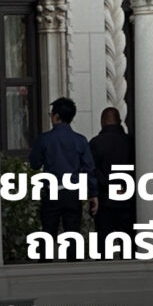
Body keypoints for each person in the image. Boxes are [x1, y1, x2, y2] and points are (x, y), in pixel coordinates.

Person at [28, 98, 98, 246]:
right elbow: (89, 169)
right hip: (73, 192)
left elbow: (34, 164)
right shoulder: (80, 140)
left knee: (47, 235)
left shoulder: (45, 139)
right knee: (72, 236)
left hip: (52, 191)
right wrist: (93, 194)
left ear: (56, 116)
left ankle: (46, 259)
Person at [89, 107, 136, 249]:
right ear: (120, 121)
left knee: (104, 245)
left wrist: (109, 186)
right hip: (127, 198)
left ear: (102, 122)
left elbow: (92, 170)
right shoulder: (131, 142)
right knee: (127, 244)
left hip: (105, 199)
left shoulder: (96, 143)